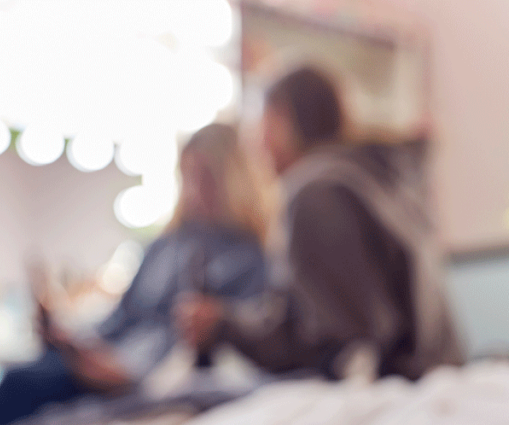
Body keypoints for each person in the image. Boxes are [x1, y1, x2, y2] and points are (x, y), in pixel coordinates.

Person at [0, 123, 270, 425]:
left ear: (233, 181)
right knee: (24, 376)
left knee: (21, 389)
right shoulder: (164, 247)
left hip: (153, 383)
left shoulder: (251, 260)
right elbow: (120, 318)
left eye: (207, 178)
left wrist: (132, 374)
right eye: (189, 177)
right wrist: (72, 339)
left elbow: (218, 355)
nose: (196, 190)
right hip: (109, 365)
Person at [178, 67, 463, 381]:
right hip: (434, 374)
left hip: (393, 386)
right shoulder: (376, 177)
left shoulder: (315, 193)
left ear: (280, 120)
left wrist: (222, 327)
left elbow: (337, 344)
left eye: (260, 124)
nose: (256, 145)